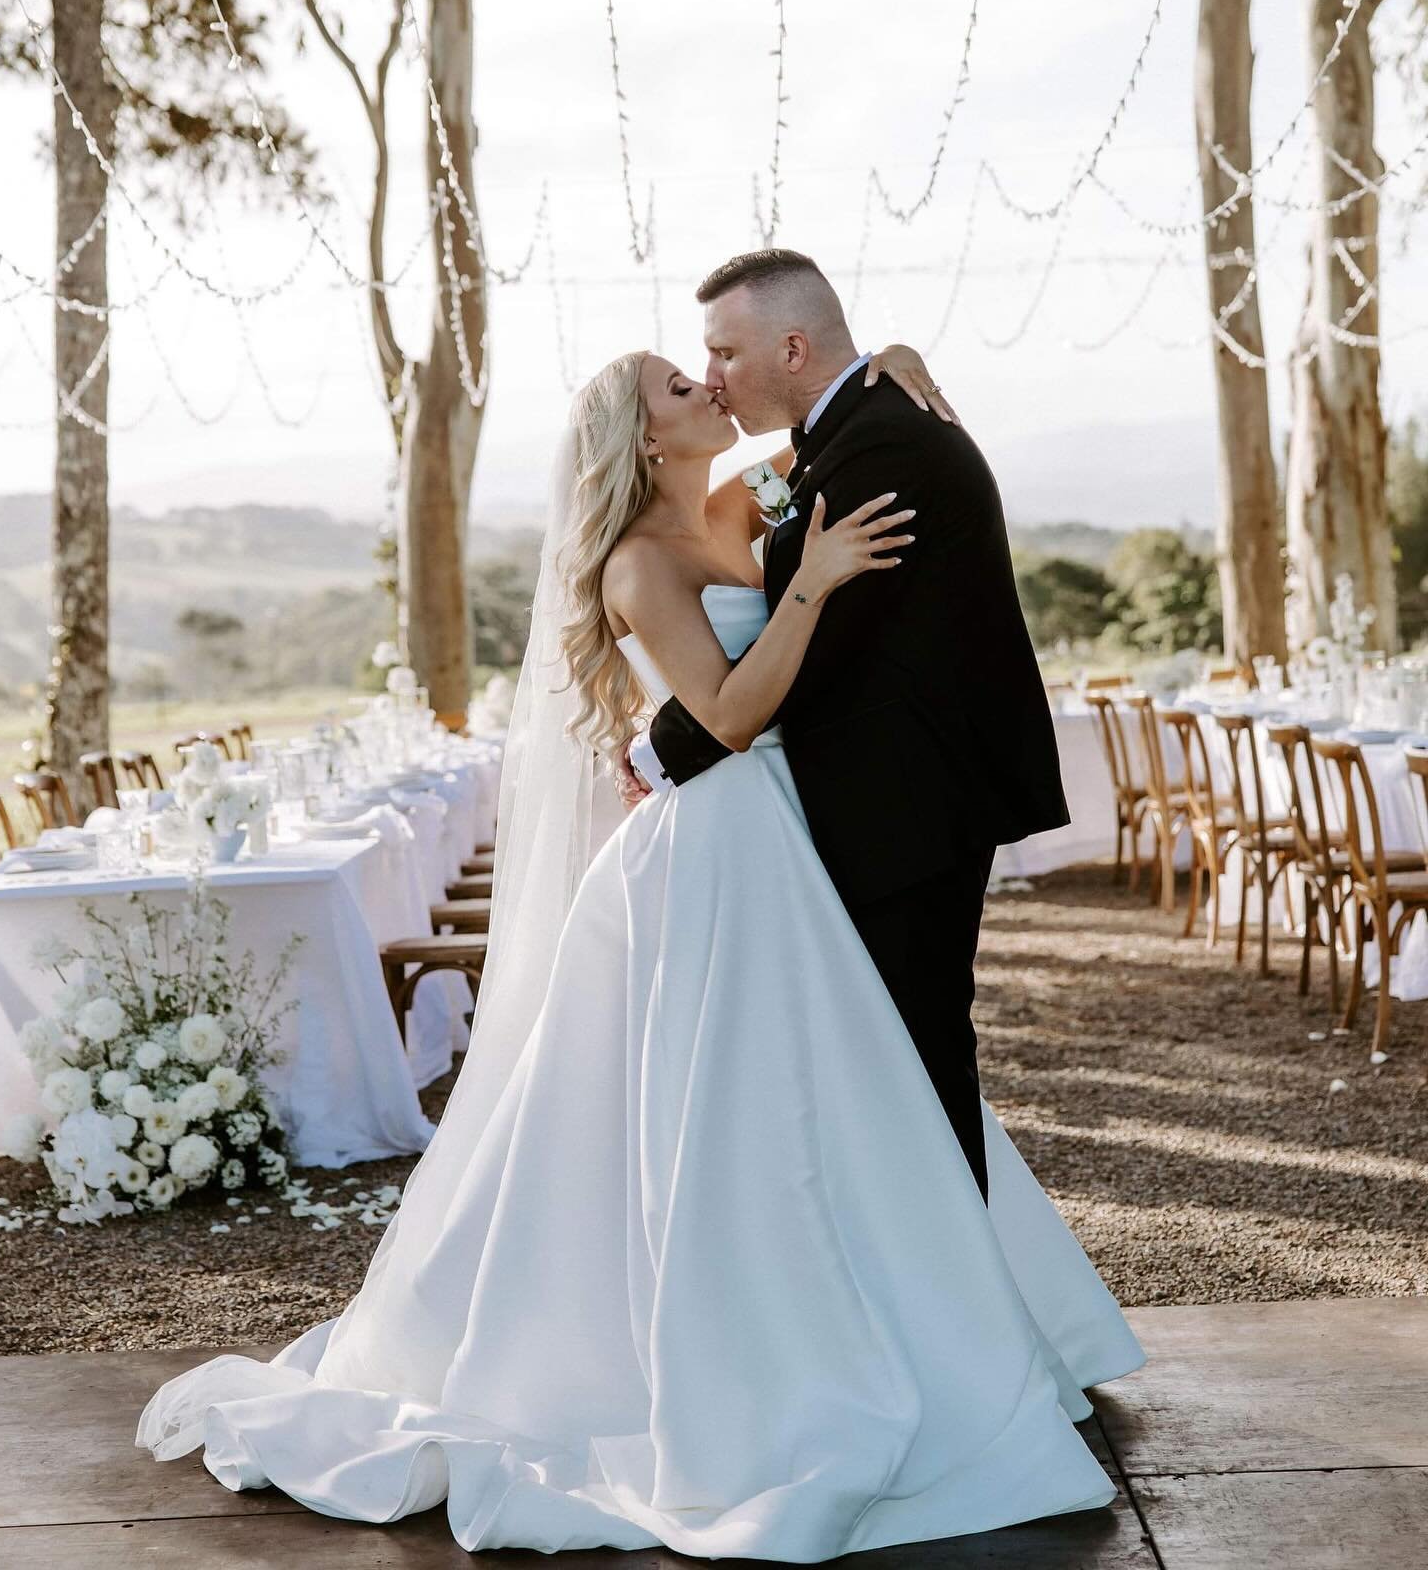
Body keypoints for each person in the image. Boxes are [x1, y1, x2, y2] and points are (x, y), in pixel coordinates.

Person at [138, 334, 1143, 1563]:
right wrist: (813, 582)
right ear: (645, 435)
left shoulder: (741, 496)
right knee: (732, 1108)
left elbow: (814, 424)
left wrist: (885, 358)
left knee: (849, 1082)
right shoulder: (634, 567)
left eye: (707, 369)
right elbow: (721, 715)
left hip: (795, 831)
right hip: (715, 846)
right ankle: (754, 1364)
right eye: (682, 385)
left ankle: (939, 1324)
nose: (708, 388)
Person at [620, 248, 1071, 1202]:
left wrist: (663, 748)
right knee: (873, 1055)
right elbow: (784, 607)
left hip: (907, 804)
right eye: (692, 370)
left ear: (790, 346)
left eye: (721, 354)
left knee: (913, 1051)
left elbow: (815, 646)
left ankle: (950, 1293)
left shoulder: (880, 443)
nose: (711, 379)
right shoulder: (839, 441)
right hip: (846, 805)